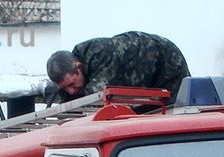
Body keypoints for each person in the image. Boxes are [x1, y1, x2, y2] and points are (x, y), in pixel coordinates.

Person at [46, 32, 189, 104]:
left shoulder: (100, 55)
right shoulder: (73, 67)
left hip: (167, 65)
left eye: (71, 84)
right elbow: (68, 102)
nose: (70, 91)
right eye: (65, 88)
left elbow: (94, 100)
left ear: (79, 66)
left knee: (178, 109)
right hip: (142, 80)